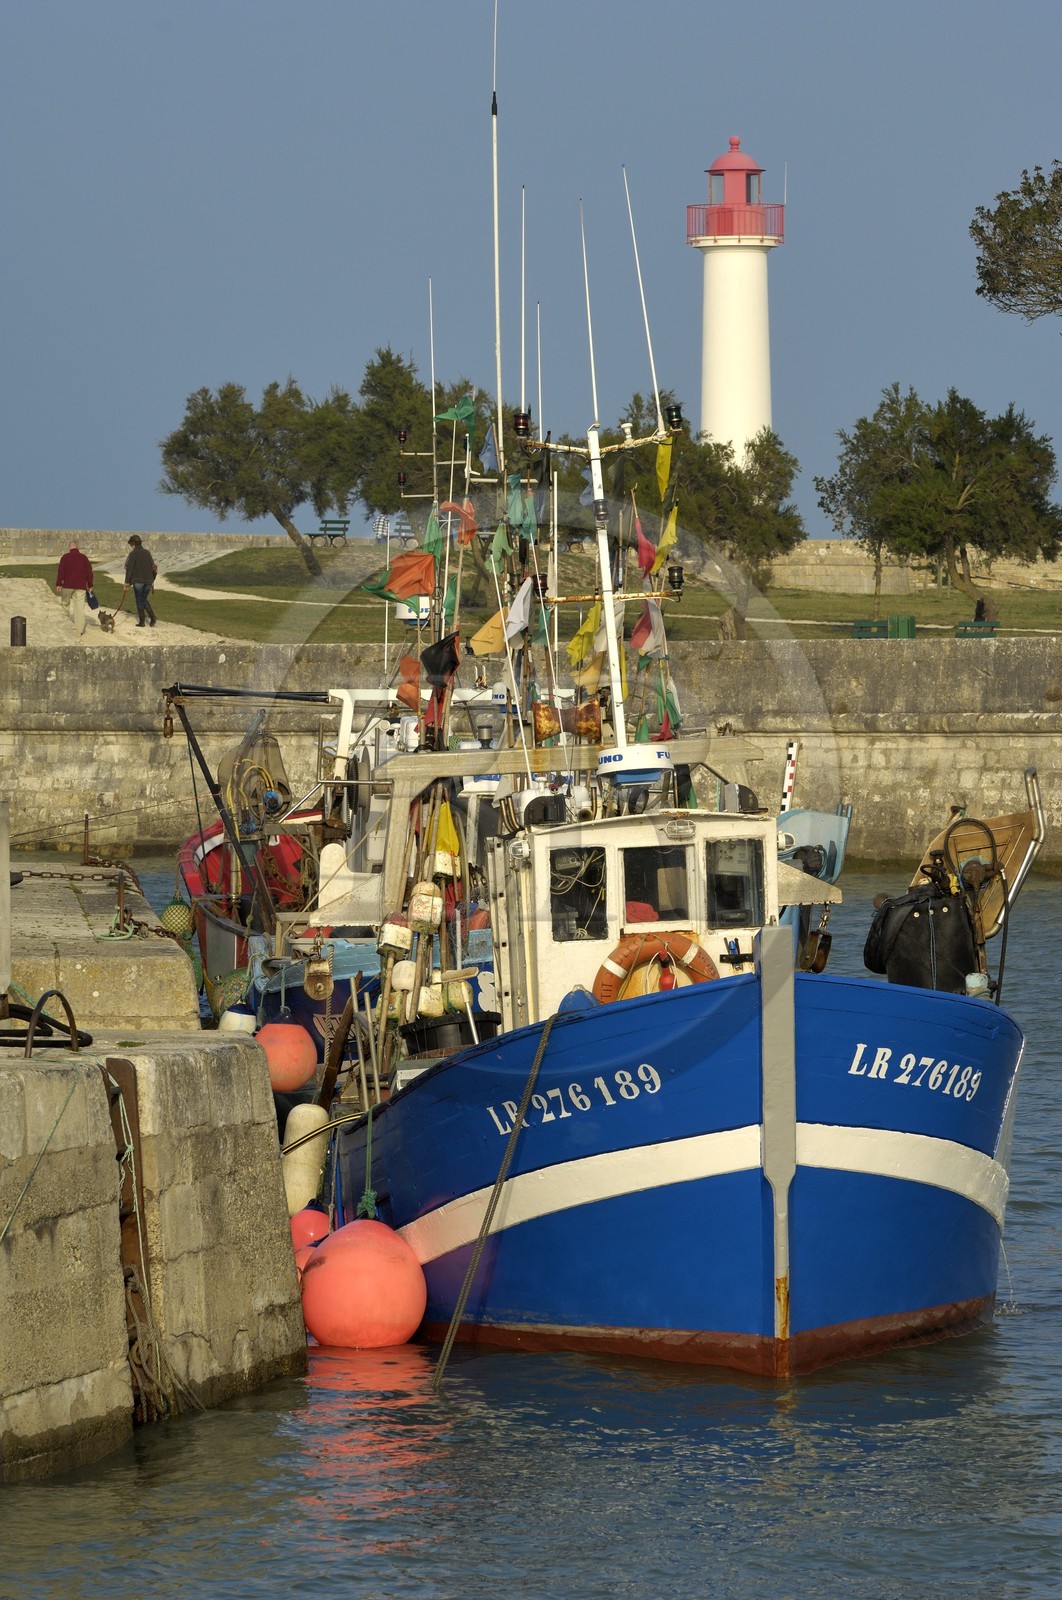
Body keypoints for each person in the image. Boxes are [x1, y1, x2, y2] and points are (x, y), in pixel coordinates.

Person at [55, 542, 94, 636]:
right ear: (78, 548)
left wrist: (59, 584)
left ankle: (65, 626)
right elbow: (89, 572)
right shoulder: (83, 558)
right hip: (80, 586)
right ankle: (79, 630)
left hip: (68, 585)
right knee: (79, 608)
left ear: (69, 548)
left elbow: (61, 571)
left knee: (65, 604)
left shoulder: (65, 557)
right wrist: (90, 584)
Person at [125, 534, 158, 627]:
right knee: (143, 599)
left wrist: (126, 582)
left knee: (139, 600)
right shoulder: (147, 552)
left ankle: (142, 621)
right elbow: (152, 566)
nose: (131, 547)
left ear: (134, 544)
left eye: (131, 545)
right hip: (148, 581)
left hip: (138, 581)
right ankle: (152, 617)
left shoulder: (133, 554)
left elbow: (129, 569)